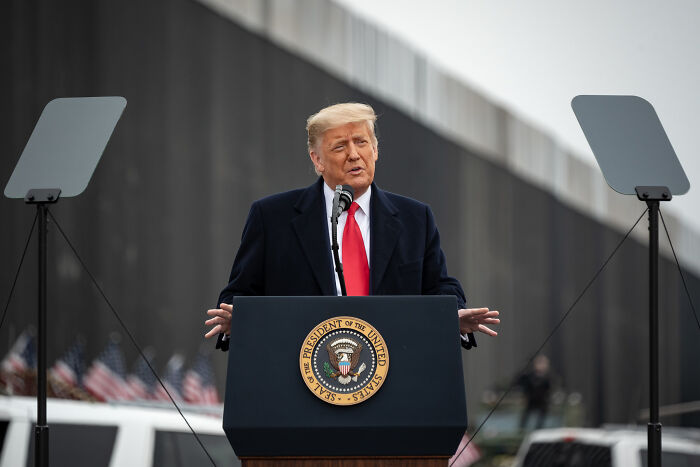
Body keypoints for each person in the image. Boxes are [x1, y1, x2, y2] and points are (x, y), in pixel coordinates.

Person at [204, 103, 499, 351]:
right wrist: (236, 321)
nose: (354, 154)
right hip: (300, 381)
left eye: (361, 142)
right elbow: (237, 296)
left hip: (391, 378)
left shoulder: (415, 218)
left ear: (376, 150)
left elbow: (439, 286)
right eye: (340, 146)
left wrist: (451, 314)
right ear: (317, 160)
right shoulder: (271, 217)